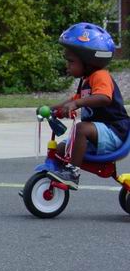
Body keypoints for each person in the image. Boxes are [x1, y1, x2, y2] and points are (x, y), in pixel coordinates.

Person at [48, 23, 130, 190]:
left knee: (81, 128)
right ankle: (58, 175)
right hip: (98, 134)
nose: (67, 65)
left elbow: (104, 98)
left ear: (88, 61)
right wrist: (53, 109)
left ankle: (72, 174)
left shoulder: (100, 76)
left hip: (114, 131)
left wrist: (76, 104)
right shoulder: (86, 81)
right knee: (62, 149)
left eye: (71, 61)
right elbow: (73, 99)